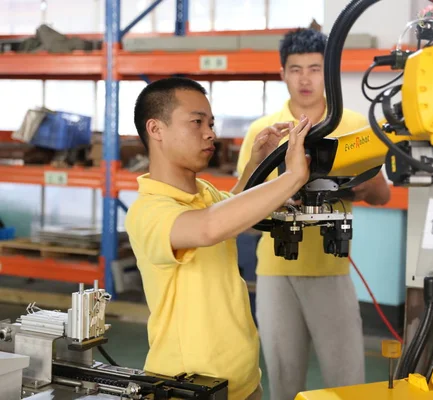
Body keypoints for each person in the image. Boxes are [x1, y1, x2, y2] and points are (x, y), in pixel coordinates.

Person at [124, 77, 314, 400]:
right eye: (196, 122)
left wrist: (258, 163)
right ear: (156, 129)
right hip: (187, 389)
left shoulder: (204, 194)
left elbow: (230, 211)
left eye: (210, 123)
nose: (210, 133)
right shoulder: (148, 211)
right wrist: (294, 176)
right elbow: (208, 228)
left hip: (243, 383)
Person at [237, 28, 391, 400]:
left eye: (314, 68)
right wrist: (260, 158)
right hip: (275, 273)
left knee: (347, 382)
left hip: (330, 270)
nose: (305, 79)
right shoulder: (264, 131)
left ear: (329, 74)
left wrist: (350, 182)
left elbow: (383, 194)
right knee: (283, 382)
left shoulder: (353, 126)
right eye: (295, 69)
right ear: (282, 74)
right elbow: (237, 203)